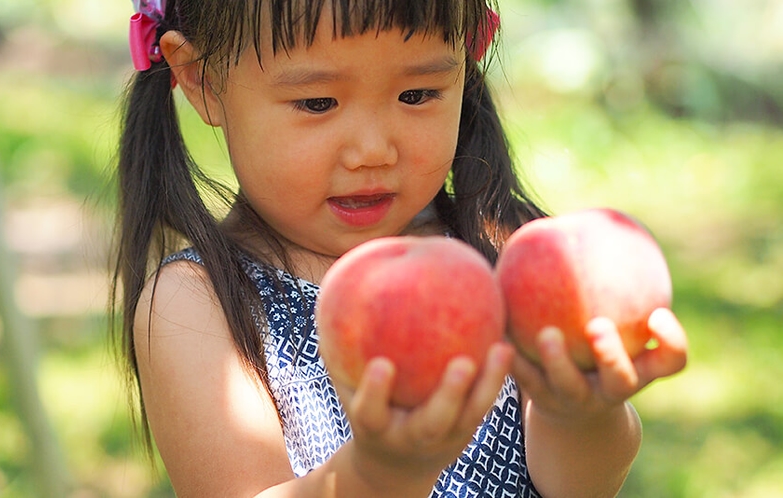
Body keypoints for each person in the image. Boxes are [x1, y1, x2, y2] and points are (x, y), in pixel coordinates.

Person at [112, 0, 689, 496]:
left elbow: (581, 486)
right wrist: (380, 472)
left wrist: (579, 411)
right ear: (201, 79)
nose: (372, 150)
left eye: (417, 93)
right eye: (317, 103)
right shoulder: (196, 302)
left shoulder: (501, 250)